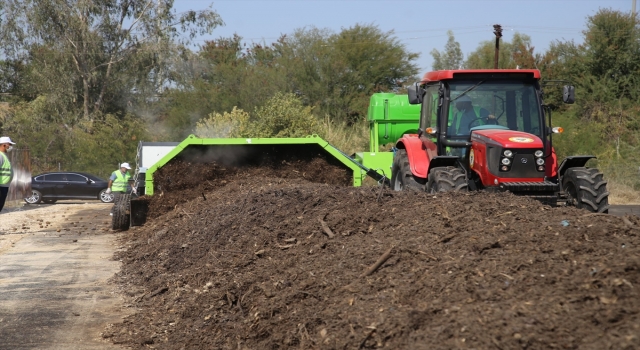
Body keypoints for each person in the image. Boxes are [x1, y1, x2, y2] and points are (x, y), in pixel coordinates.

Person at [0, 136, 16, 213]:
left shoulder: (3, 155)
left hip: (4, 185)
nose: (10, 146)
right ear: (4, 145)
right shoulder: (0, 156)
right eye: (9, 144)